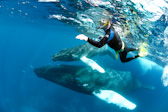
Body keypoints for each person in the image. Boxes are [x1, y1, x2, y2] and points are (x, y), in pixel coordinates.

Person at [76, 19, 141, 63]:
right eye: (100, 23)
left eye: (103, 23)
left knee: (123, 60)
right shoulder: (109, 30)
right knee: (127, 50)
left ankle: (137, 56)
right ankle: (137, 48)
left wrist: (86, 38)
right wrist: (104, 37)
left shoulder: (109, 33)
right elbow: (111, 37)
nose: (101, 25)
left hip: (122, 48)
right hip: (122, 45)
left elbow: (99, 45)